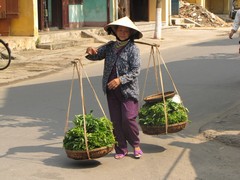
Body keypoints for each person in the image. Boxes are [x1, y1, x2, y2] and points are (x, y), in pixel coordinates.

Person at [85, 16, 143, 159]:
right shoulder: (110, 47)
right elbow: (96, 55)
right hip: (111, 90)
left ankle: (136, 145)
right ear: (115, 31)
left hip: (128, 90)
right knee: (116, 121)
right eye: (120, 30)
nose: (123, 33)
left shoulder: (133, 49)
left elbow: (135, 71)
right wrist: (90, 51)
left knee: (128, 119)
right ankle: (121, 148)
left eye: (126, 31)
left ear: (130, 33)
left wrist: (120, 80)